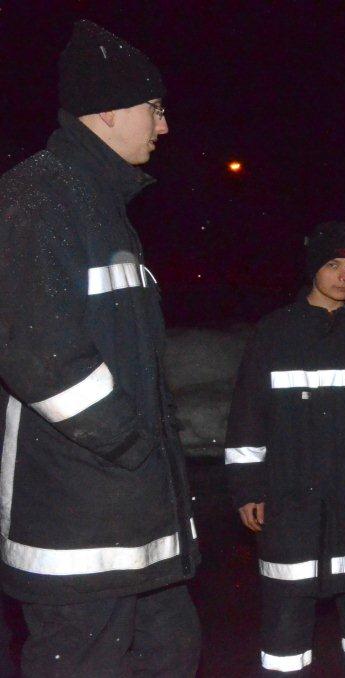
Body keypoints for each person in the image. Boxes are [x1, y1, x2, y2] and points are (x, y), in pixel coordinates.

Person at [0, 20, 200, 676]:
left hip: (133, 509)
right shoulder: (39, 196)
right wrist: (132, 445)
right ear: (109, 111)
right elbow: (38, 356)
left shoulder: (102, 207)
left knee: (170, 652)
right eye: (155, 108)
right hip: (80, 520)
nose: (164, 126)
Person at [224, 222, 345, 675]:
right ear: (313, 270)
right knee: (287, 611)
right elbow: (248, 416)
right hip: (290, 501)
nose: (344, 276)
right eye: (333, 265)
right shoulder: (275, 333)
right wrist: (247, 489)